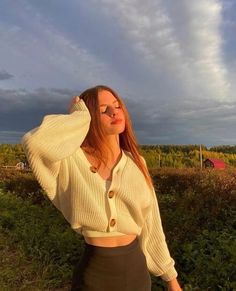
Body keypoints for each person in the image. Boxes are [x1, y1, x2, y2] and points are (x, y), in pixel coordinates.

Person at [21, 85, 182, 291]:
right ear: (89, 117)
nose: (113, 112)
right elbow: (34, 143)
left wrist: (171, 278)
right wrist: (79, 117)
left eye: (117, 106)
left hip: (136, 273)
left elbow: (151, 224)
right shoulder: (70, 160)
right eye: (102, 109)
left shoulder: (137, 163)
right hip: (94, 275)